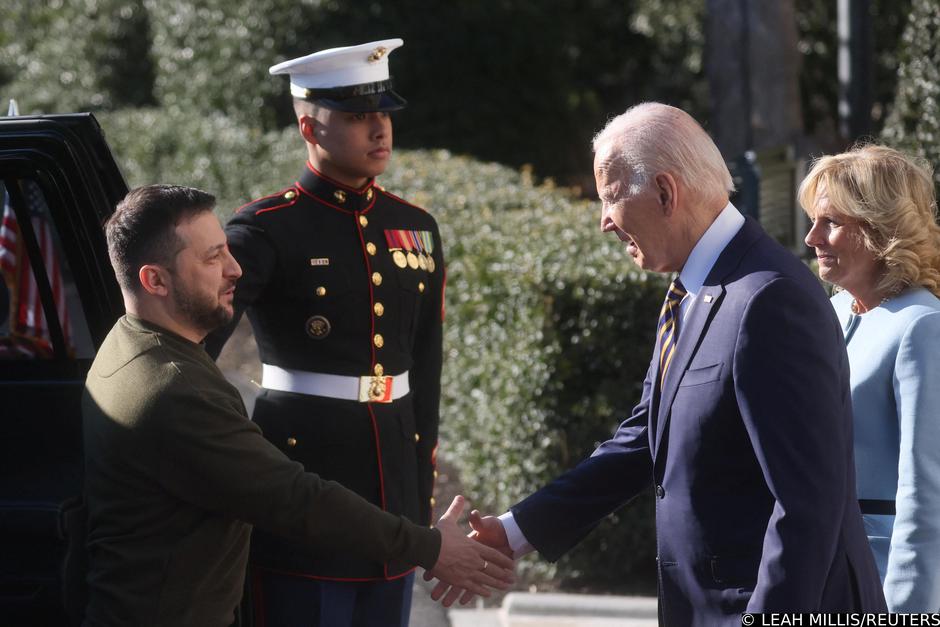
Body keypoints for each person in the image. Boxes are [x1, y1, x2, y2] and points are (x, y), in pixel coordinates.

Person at [438, 103, 887, 623]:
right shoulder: (695, 286)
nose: (604, 221)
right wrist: (517, 531)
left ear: (666, 193)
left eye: (610, 199)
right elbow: (646, 438)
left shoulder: (768, 299)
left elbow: (809, 505)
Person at [81, 184, 513, 627]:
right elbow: (296, 498)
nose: (234, 270)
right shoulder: (173, 389)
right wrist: (430, 547)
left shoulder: (126, 342)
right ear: (155, 280)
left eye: (228, 251)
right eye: (212, 258)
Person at [203, 38, 446, 627]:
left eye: (383, 113)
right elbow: (190, 355)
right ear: (311, 129)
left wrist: (417, 505)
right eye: (359, 117)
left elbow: (425, 370)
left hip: (391, 493)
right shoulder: (265, 229)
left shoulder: (414, 227)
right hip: (302, 486)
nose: (379, 130)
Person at [801, 144, 940, 612]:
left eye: (831, 223)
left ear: (881, 229)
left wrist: (907, 610)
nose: (811, 237)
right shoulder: (832, 311)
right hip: (813, 576)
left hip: (877, 584)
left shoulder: (921, 325)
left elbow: (926, 490)